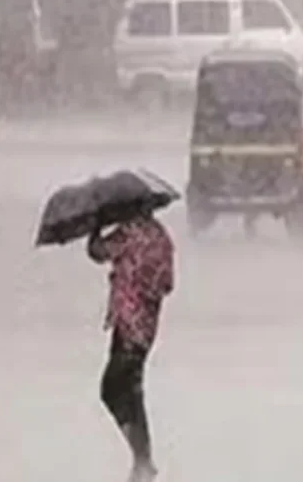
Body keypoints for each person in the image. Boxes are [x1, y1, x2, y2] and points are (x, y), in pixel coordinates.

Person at [87, 206, 175, 482]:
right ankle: (143, 460)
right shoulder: (161, 236)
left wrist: (96, 225)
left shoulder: (129, 233)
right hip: (146, 327)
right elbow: (167, 283)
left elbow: (97, 252)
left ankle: (142, 457)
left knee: (112, 388)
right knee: (132, 389)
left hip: (127, 323)